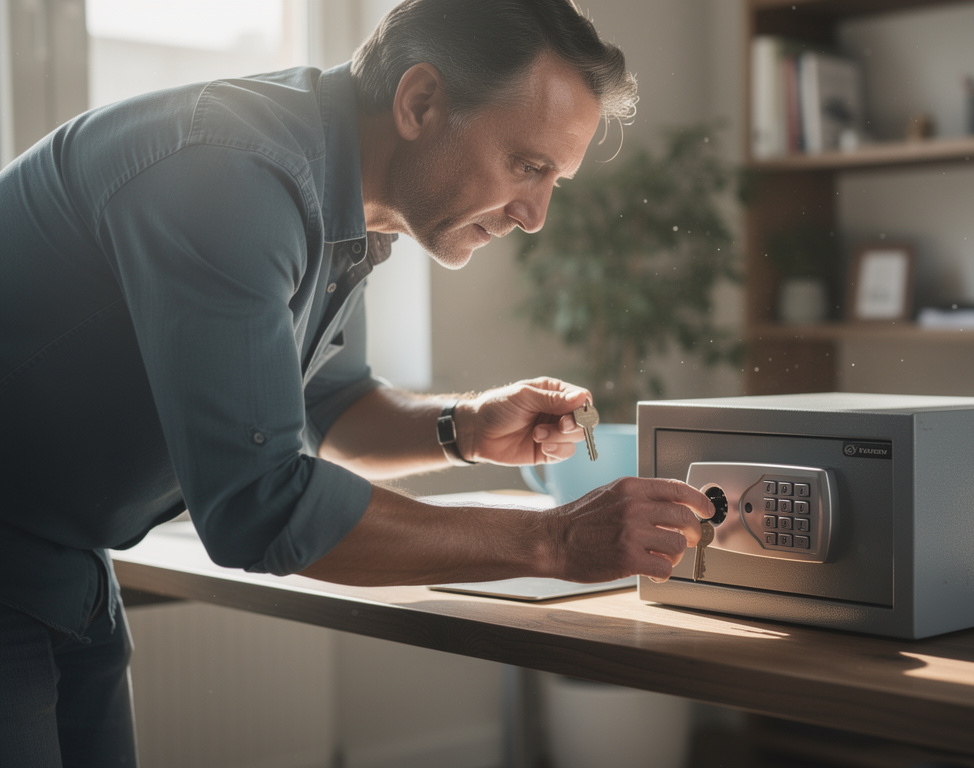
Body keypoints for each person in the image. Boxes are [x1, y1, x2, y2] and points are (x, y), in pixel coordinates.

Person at [0, 1, 714, 765]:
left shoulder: (347, 207)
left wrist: (467, 424)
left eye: (554, 181)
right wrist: (555, 540)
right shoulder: (230, 177)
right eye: (526, 165)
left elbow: (333, 404)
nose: (535, 216)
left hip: (66, 566)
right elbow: (261, 506)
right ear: (420, 102)